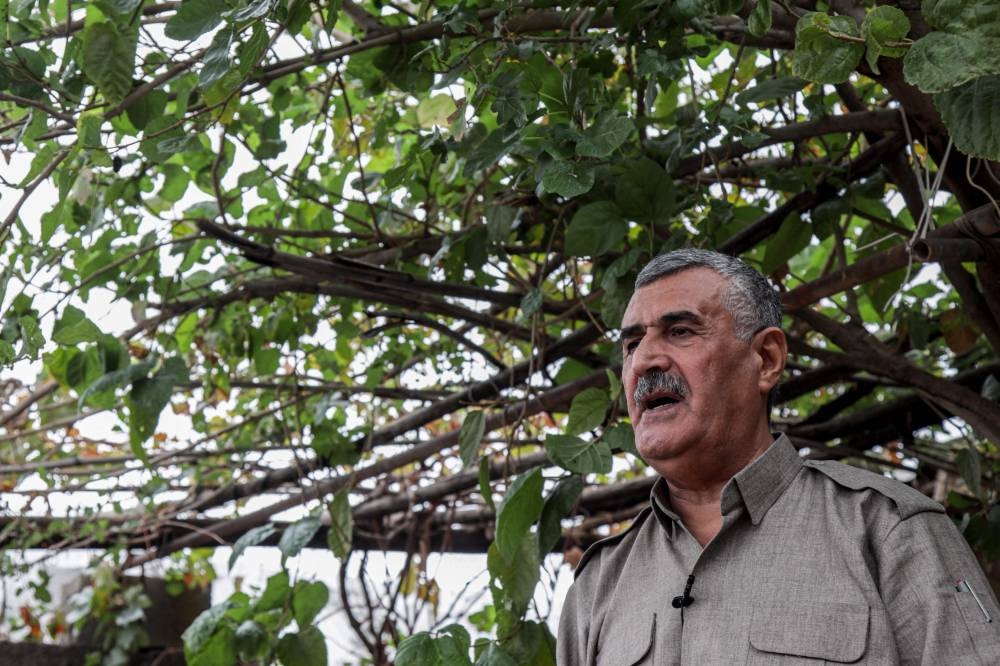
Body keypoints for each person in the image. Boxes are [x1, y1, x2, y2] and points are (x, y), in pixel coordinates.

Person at [557, 249, 1000, 665]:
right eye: (632, 344)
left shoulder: (886, 530)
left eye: (681, 332)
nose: (645, 360)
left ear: (766, 359)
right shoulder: (600, 584)